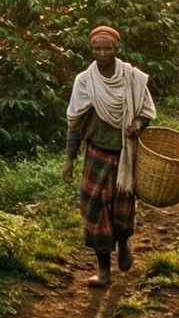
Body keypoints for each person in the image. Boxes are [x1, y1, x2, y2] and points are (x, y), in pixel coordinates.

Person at [61, 24, 156, 288]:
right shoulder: (85, 81)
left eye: (108, 48)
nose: (102, 53)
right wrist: (69, 159)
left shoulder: (132, 78)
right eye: (97, 49)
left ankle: (123, 244)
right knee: (95, 210)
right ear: (91, 50)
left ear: (116, 48)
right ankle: (103, 270)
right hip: (97, 152)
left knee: (122, 207)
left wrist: (138, 124)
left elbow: (147, 111)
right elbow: (74, 122)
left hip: (124, 152)